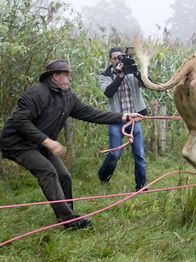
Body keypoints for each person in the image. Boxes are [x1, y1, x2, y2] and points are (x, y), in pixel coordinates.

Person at [0, 60, 143, 229]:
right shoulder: (36, 93)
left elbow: (92, 114)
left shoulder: (68, 97)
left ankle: (69, 217)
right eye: (66, 76)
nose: (70, 79)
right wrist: (48, 142)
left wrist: (124, 117)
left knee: (64, 176)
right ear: (55, 77)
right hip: (18, 143)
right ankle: (68, 219)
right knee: (47, 171)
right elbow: (20, 121)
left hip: (41, 144)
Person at [97, 47, 148, 191]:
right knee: (115, 154)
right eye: (115, 58)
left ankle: (141, 186)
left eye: (121, 57)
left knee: (139, 155)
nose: (118, 60)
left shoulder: (132, 73)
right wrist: (119, 75)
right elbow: (108, 92)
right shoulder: (105, 76)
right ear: (110, 60)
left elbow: (147, 84)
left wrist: (137, 72)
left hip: (133, 119)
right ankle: (103, 176)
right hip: (116, 120)